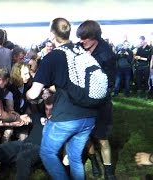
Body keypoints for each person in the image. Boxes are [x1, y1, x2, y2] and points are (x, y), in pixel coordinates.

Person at [26, 17, 97, 180]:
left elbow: (34, 93)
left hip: (68, 116)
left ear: (52, 35)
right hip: (89, 114)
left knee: (47, 152)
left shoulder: (52, 57)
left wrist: (27, 94)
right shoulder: (80, 51)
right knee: (75, 158)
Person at [76, 20, 117, 180]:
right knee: (87, 136)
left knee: (103, 138)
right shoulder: (79, 49)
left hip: (100, 104)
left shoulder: (107, 55)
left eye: (85, 37)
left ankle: (108, 171)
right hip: (82, 104)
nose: (81, 41)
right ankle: (93, 161)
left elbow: (110, 84)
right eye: (80, 37)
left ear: (95, 36)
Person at [0, 95, 54, 180]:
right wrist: (12, 117)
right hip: (23, 144)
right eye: (46, 109)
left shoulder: (62, 124)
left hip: (39, 149)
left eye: (51, 110)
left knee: (23, 158)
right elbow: (23, 118)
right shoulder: (40, 117)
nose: (48, 112)